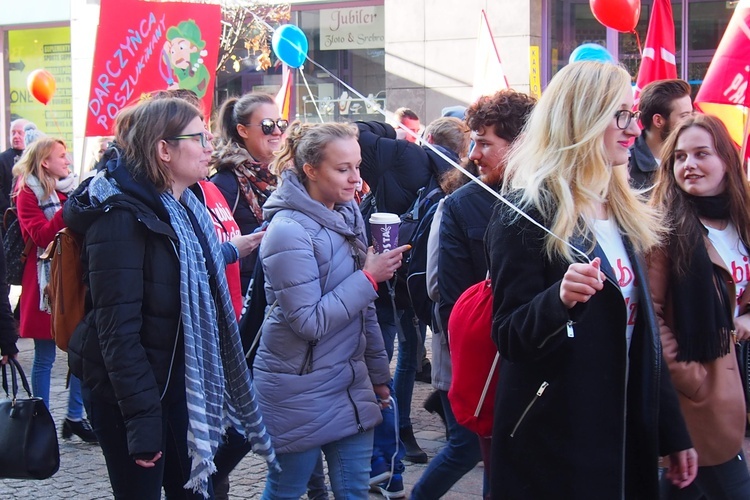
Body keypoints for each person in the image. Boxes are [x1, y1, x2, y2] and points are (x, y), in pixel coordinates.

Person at [485, 61, 697, 498]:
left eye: (632, 115)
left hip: (622, 432)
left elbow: (643, 335)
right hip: (557, 440)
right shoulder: (526, 212)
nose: (634, 129)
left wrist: (671, 430)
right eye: (620, 115)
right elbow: (508, 335)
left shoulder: (622, 209)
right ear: (583, 117)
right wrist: (557, 300)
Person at [63, 97, 277, 498]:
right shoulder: (121, 217)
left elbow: (189, 262)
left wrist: (237, 248)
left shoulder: (186, 205)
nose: (211, 146)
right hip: (129, 396)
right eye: (199, 138)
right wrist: (143, 420)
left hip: (179, 383)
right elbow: (117, 333)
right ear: (164, 150)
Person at [254, 121, 407, 499]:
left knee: (354, 491)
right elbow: (308, 321)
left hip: (349, 383)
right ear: (310, 170)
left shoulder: (349, 216)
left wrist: (377, 375)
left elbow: (363, 314)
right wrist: (369, 279)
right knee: (286, 491)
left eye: (357, 167)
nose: (356, 178)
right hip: (298, 387)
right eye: (343, 169)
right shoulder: (288, 230)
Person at [411, 89, 536, 500]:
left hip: (538, 369)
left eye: (485, 143)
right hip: (486, 366)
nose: (474, 153)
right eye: (474, 141)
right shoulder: (461, 205)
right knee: (490, 466)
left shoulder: (548, 201)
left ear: (521, 144)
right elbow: (451, 301)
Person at [648, 113, 750, 499]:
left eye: (701, 154)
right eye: (680, 156)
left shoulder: (742, 221)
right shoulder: (664, 230)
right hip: (698, 399)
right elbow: (651, 317)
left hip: (736, 384)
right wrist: (693, 380)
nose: (689, 165)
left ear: (726, 159)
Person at [10, 136, 96, 443]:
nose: (68, 161)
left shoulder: (69, 186)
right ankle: (41, 420)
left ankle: (75, 416)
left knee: (80, 350)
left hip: (72, 277)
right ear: (45, 161)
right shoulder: (27, 193)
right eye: (62, 156)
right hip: (44, 281)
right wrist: (71, 208)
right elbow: (44, 235)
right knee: (45, 355)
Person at [210, 92, 284, 294]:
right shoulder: (225, 182)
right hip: (246, 294)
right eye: (268, 125)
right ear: (243, 130)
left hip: (283, 287)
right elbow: (215, 250)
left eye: (281, 123)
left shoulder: (287, 176)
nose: (277, 131)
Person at [629, 79, 693, 189]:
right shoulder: (625, 167)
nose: (692, 121)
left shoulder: (694, 160)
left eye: (691, 113)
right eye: (684, 116)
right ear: (658, 120)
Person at [0, 119, 29, 216]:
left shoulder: (35, 157)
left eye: (20, 133)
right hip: (8, 214)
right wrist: (8, 209)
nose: (16, 136)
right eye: (13, 133)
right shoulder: (2, 159)